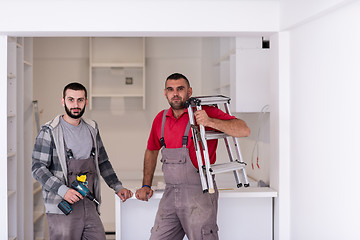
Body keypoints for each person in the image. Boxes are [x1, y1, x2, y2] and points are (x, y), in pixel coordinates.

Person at [135, 73, 250, 239]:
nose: (175, 93)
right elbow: (152, 150)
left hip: (200, 194)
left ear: (189, 92)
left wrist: (210, 122)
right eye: (171, 89)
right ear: (165, 93)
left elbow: (243, 129)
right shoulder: (160, 119)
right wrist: (146, 185)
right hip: (170, 194)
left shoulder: (205, 112)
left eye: (180, 89)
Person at [32, 82, 133, 240]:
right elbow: (38, 168)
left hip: (89, 204)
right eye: (71, 100)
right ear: (63, 101)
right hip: (62, 207)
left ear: (86, 101)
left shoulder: (92, 128)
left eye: (80, 100)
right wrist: (63, 190)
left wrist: (117, 186)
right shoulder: (50, 131)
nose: (75, 105)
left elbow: (103, 161)